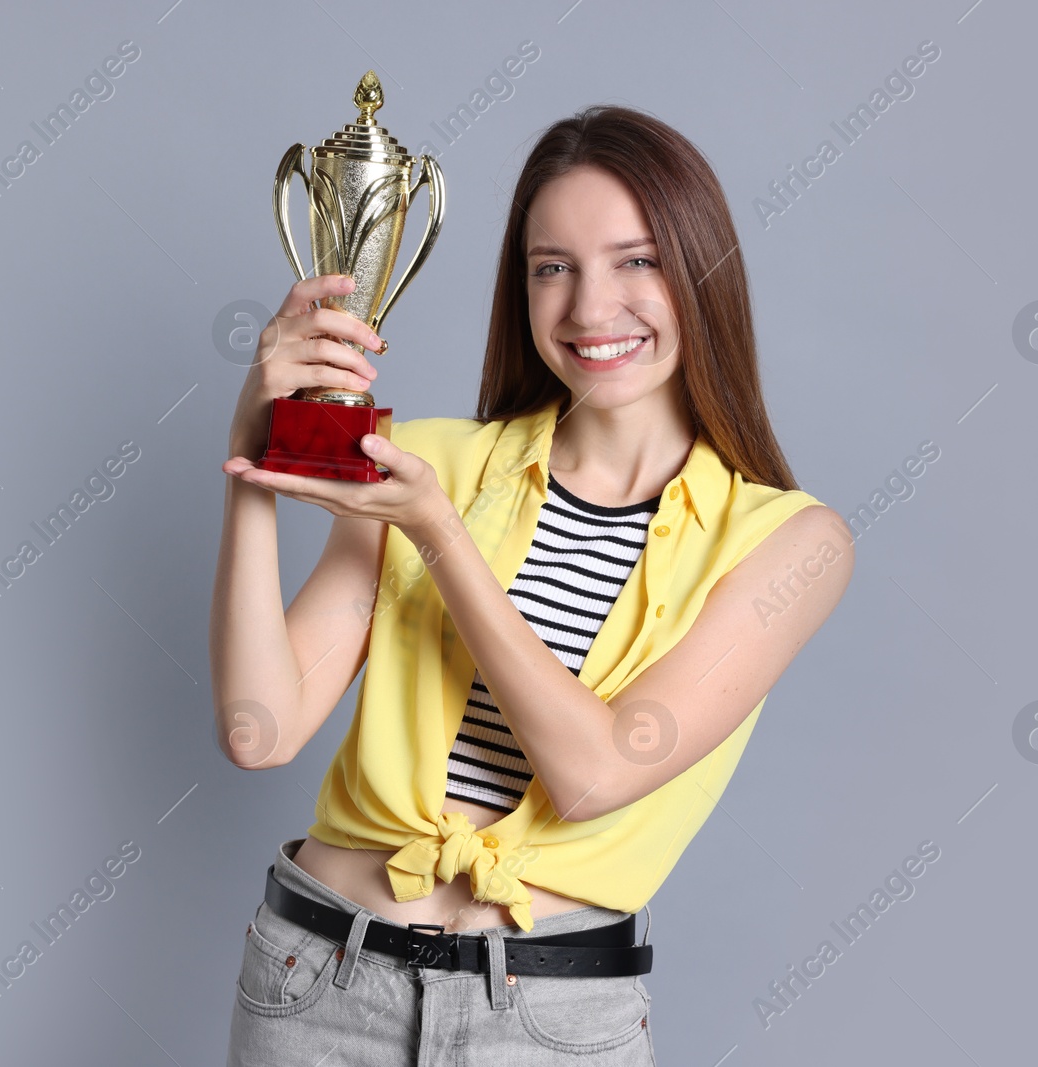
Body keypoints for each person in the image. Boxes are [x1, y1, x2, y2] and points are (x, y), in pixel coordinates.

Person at [211, 103, 852, 1064]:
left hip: (548, 1026)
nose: (592, 310)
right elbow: (259, 731)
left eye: (637, 261)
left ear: (702, 272)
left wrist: (439, 536)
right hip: (316, 989)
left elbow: (595, 771)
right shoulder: (428, 459)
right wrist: (249, 469)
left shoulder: (792, 544)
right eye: (553, 267)